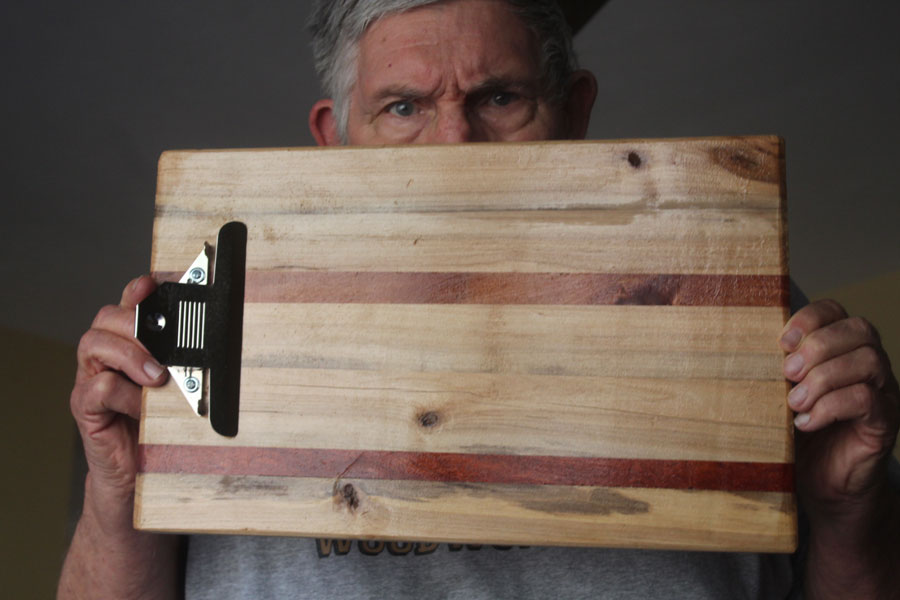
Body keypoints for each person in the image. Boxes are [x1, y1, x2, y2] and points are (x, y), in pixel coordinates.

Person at [59, 0, 900, 598]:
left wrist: (845, 511)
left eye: (500, 97)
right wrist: (114, 496)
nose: (454, 144)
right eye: (402, 105)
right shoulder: (189, 334)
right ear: (333, 140)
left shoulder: (750, 317)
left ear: (573, 114)